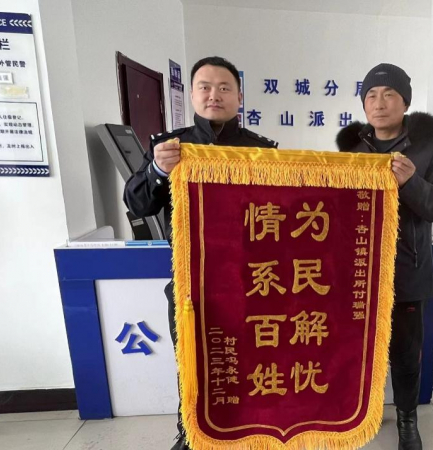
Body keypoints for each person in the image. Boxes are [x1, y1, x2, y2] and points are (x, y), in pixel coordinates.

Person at [124, 56, 278, 450]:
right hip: (191, 284)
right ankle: (190, 432)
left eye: (224, 88)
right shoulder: (170, 148)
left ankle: (251, 432)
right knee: (192, 361)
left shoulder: (262, 151)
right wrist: (158, 171)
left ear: (239, 97)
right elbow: (137, 203)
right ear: (191, 95)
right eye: (205, 87)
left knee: (248, 359)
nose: (214, 95)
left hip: (251, 283)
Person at [336, 63, 433, 450]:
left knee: (405, 353)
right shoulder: (351, 150)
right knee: (356, 348)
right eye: (371, 95)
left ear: (405, 102)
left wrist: (410, 181)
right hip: (358, 270)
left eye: (389, 94)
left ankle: (407, 420)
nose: (379, 103)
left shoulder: (430, 148)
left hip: (407, 267)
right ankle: (360, 412)